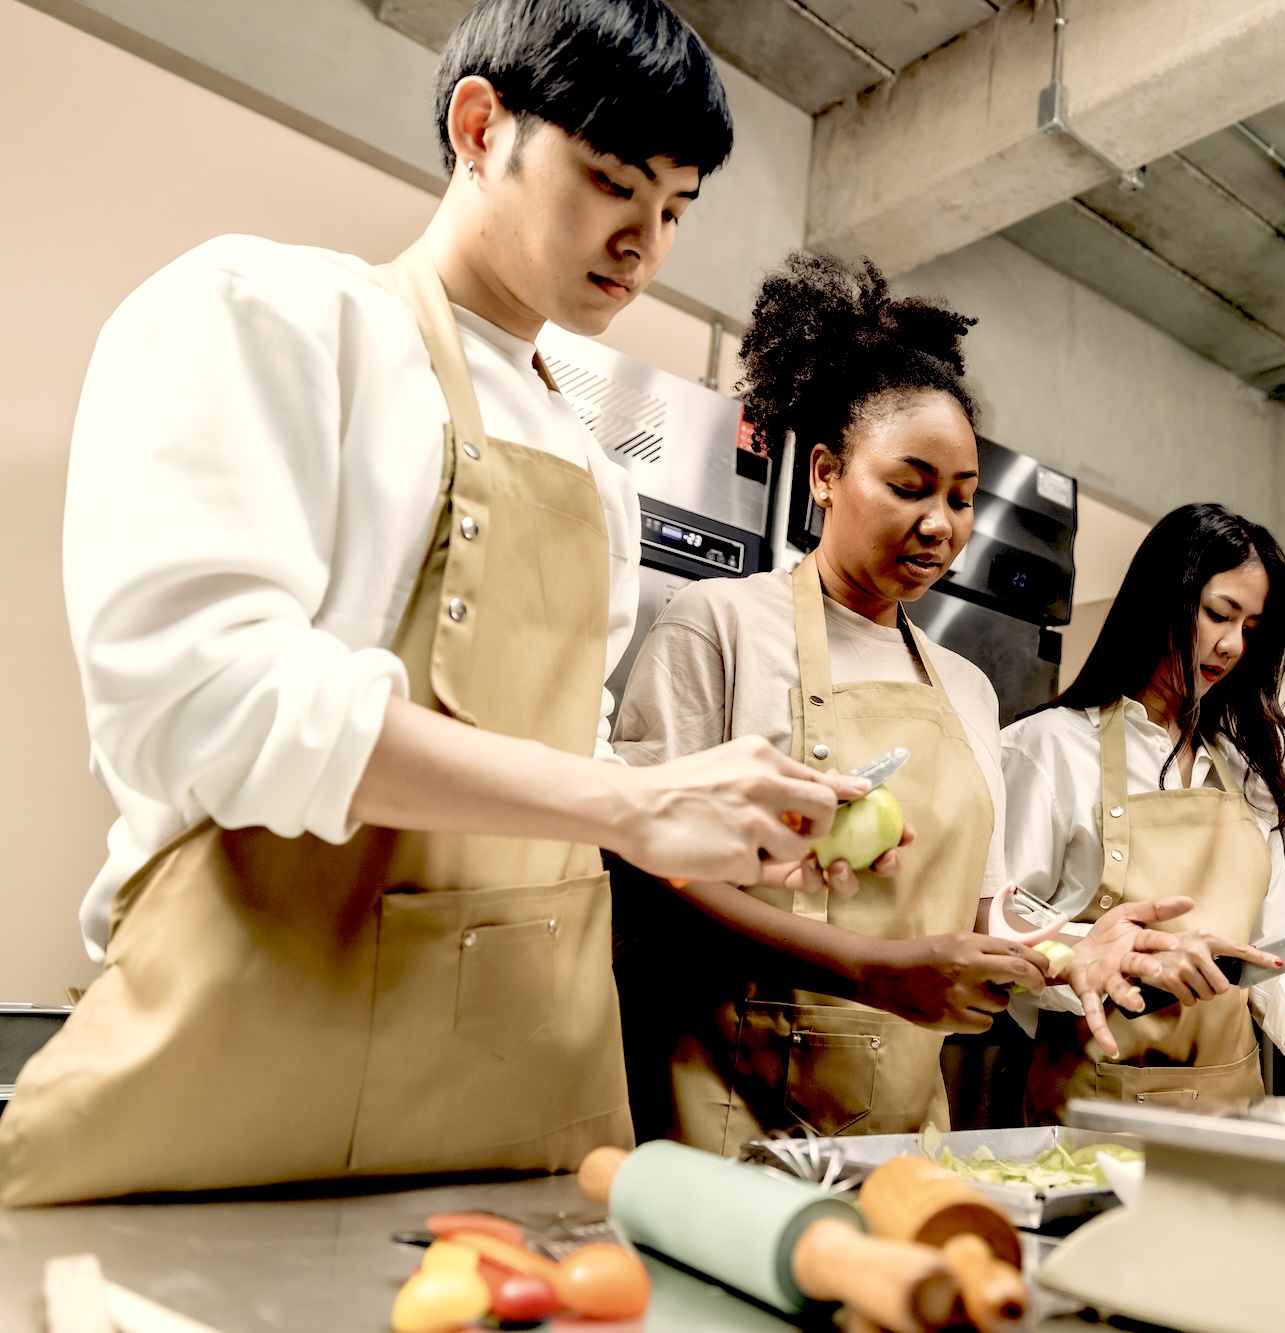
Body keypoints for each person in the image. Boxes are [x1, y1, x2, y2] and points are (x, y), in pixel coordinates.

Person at [0, 0, 860, 1207]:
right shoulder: (273, 315)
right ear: (477, 126)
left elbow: (557, 769)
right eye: (612, 183)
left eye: (673, 211)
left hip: (504, 1112)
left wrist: (723, 822)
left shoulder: (602, 486)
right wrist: (630, 799)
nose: (643, 244)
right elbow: (205, 700)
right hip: (235, 1075)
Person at [613, 250, 1101, 1155]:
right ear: (827, 473)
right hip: (729, 1103)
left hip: (907, 1121)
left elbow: (986, 901)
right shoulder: (717, 624)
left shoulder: (968, 687)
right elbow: (653, 873)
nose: (941, 525)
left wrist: (1079, 948)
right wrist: (873, 971)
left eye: (961, 499)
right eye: (909, 487)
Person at [1001, 504, 1285, 1119]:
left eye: (1252, 628)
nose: (1231, 646)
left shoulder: (1246, 772)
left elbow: (1268, 947)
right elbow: (1006, 937)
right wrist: (1100, 957)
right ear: (1160, 599)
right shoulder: (1049, 748)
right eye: (1218, 614)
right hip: (1096, 1113)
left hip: (1234, 1116)